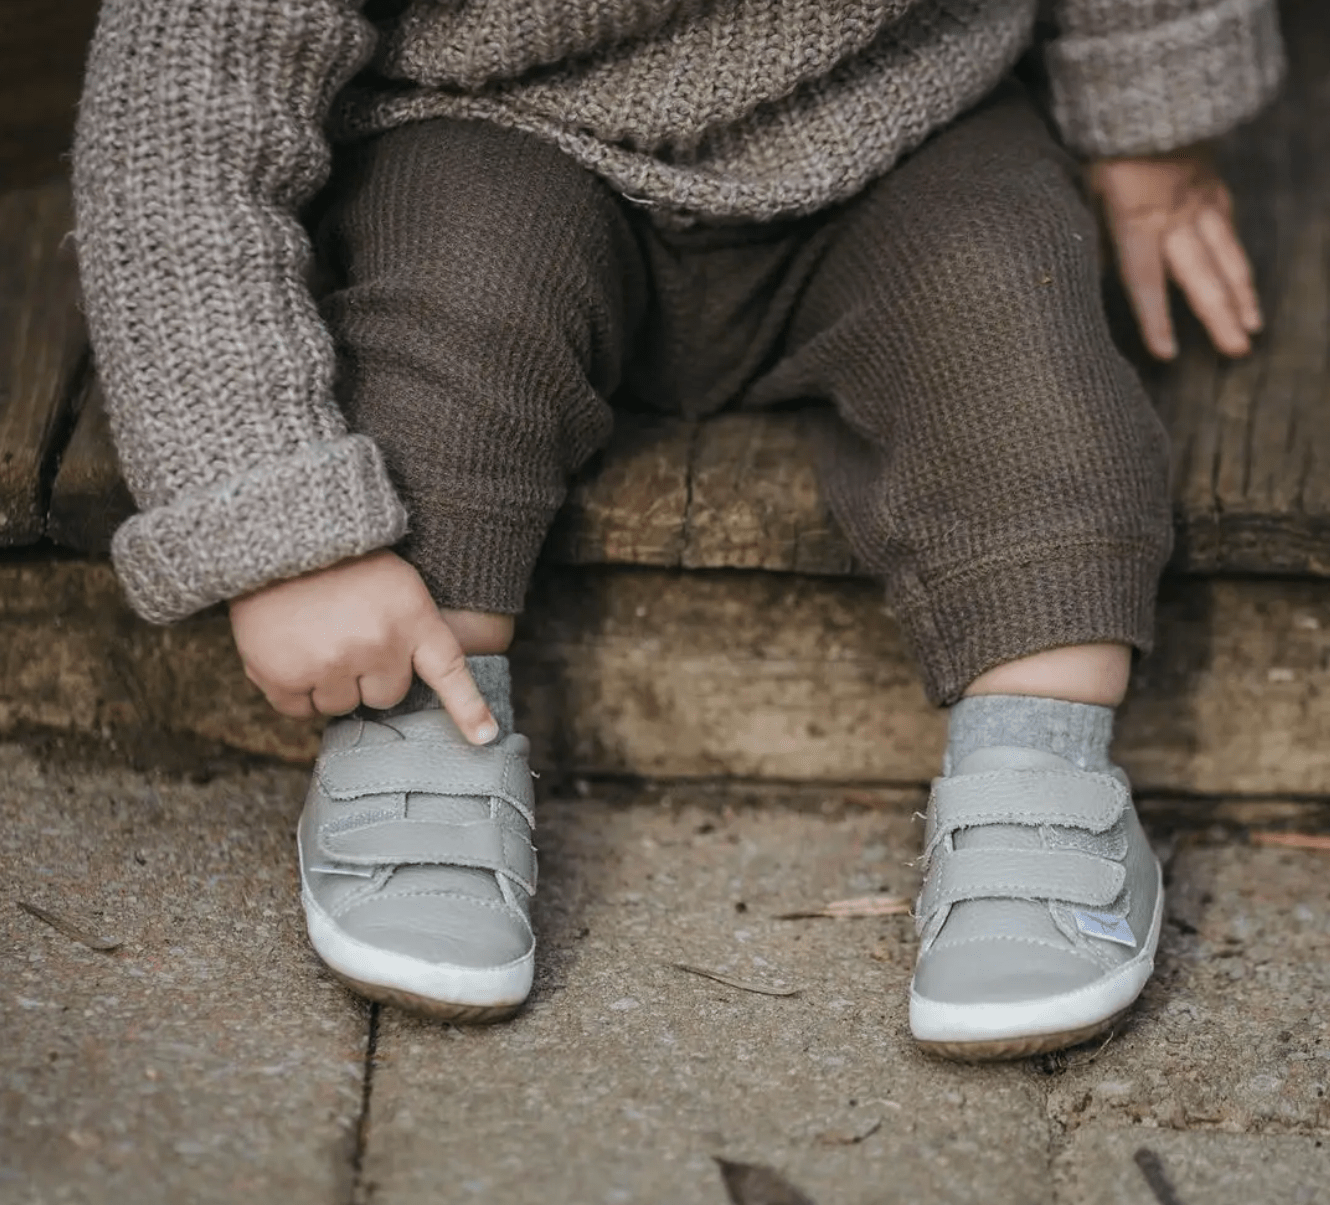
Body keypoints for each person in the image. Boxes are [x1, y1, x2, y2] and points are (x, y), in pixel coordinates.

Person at [73, 0, 1283, 1057]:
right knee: (440, 346)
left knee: (1026, 371)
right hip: (494, 124)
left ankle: (1039, 753)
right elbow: (180, 115)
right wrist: (279, 518)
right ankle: (423, 722)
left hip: (901, 122)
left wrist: (1151, 124)